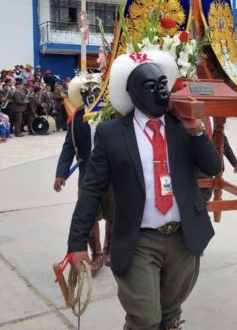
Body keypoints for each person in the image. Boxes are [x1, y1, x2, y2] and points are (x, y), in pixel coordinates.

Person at [67, 51, 222, 330]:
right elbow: (91, 191)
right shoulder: (111, 133)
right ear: (133, 94)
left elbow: (213, 167)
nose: (160, 92)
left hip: (183, 239)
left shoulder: (182, 127)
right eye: (151, 87)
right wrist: (77, 244)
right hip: (139, 240)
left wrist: (197, 131)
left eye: (163, 84)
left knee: (169, 314)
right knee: (144, 318)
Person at [55, 72, 113, 275]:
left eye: (95, 91)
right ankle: (96, 254)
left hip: (112, 175)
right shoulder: (77, 118)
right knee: (89, 217)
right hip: (87, 175)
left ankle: (109, 250)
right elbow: (69, 147)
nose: (91, 94)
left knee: (113, 214)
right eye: (86, 92)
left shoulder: (112, 113)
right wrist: (60, 173)